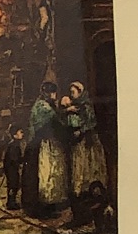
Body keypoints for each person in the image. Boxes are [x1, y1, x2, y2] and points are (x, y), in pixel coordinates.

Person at [21, 79, 71, 219]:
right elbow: (53, 119)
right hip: (39, 145)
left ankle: (47, 206)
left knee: (48, 174)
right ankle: (39, 209)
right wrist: (66, 111)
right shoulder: (42, 107)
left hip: (45, 143)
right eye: (53, 93)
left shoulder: (46, 105)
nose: (55, 96)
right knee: (42, 175)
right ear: (47, 93)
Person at [66, 79, 107, 208]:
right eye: (70, 92)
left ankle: (92, 192)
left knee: (90, 165)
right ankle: (80, 193)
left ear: (80, 92)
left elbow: (91, 122)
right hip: (78, 141)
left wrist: (81, 131)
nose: (71, 95)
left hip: (88, 140)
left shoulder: (86, 105)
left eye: (73, 92)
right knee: (79, 165)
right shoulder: (73, 105)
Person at [1, 123, 24, 211]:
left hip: (12, 169)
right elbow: (14, 159)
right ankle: (11, 203)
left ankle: (12, 201)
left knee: (14, 185)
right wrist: (22, 160)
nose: (22, 134)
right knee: (13, 185)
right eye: (20, 132)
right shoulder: (14, 145)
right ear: (15, 135)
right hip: (11, 169)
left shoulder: (15, 144)